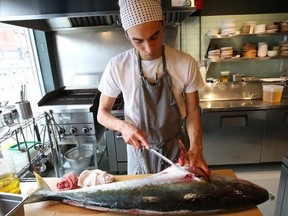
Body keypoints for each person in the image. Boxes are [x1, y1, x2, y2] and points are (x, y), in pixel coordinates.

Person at [97, 0, 210, 176]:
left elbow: (193, 111)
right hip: (140, 152)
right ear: (127, 35)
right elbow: (102, 113)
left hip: (176, 151)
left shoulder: (185, 62)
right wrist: (123, 126)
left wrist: (196, 146)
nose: (149, 48)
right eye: (138, 41)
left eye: (154, 36)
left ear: (163, 23)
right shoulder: (117, 66)